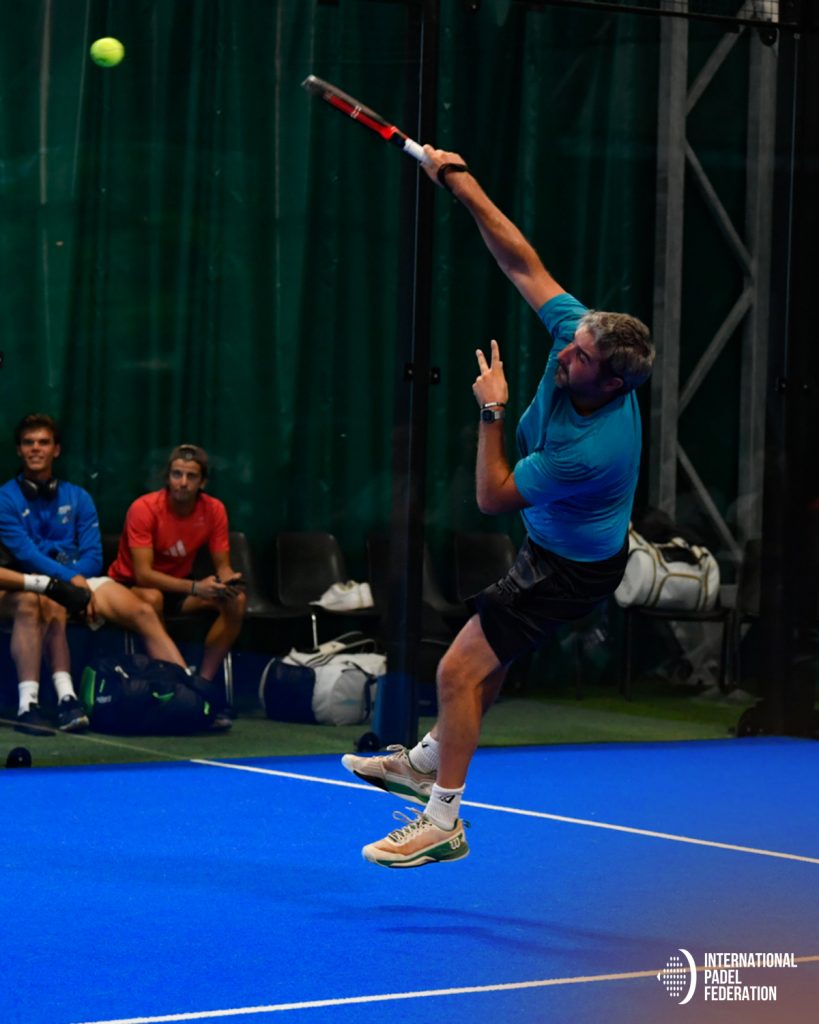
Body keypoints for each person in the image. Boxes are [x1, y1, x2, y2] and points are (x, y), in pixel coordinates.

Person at [342, 148, 656, 867]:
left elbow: (490, 497)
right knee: (489, 658)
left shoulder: (592, 448)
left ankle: (442, 819)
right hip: (554, 545)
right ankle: (427, 759)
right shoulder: (579, 339)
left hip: (570, 569)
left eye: (579, 358)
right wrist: (460, 181)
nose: (563, 354)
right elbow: (521, 260)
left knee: (458, 669)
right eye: (572, 342)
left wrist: (491, 412)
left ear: (611, 384)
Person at [0, 414, 217, 736]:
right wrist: (68, 584)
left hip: (81, 580)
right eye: (28, 443)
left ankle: (189, 695)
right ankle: (54, 701)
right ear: (19, 450)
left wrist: (79, 586)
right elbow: (26, 554)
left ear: (56, 450)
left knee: (142, 611)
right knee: (50, 603)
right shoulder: (5, 498)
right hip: (32, 582)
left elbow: (93, 557)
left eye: (43, 442)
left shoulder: (79, 497)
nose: (36, 449)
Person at [107, 444, 247, 691]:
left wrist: (229, 580)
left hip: (179, 589)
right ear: (167, 478)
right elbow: (143, 575)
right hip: (132, 587)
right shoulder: (144, 508)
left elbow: (223, 566)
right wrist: (195, 587)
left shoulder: (214, 509)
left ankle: (203, 684)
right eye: (177, 474)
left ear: (202, 482)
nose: (183, 483)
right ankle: (172, 682)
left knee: (236, 601)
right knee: (153, 597)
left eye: (191, 476)